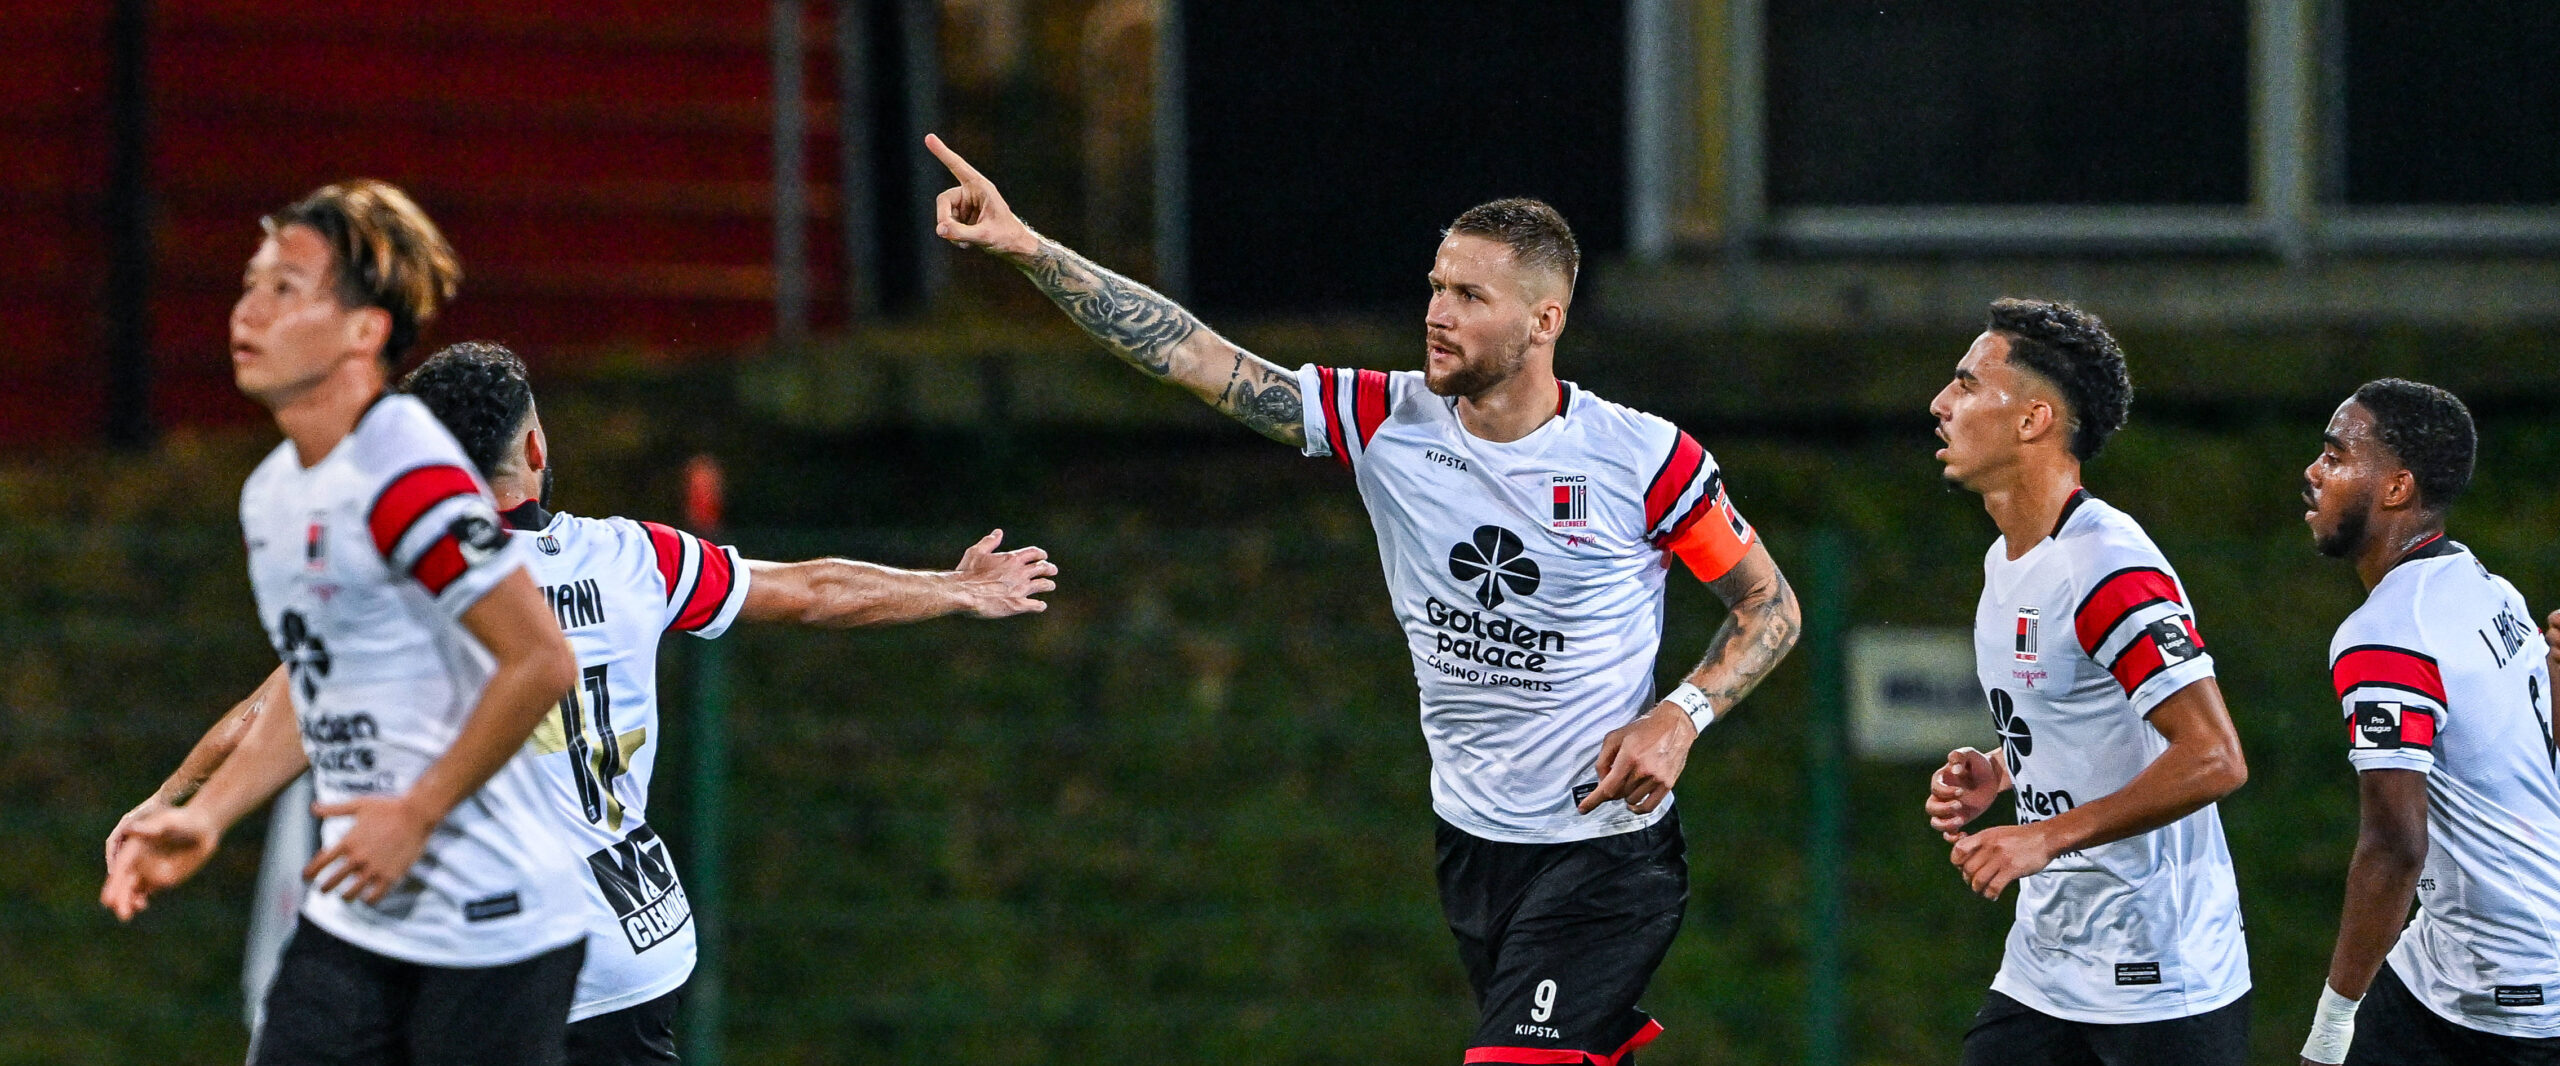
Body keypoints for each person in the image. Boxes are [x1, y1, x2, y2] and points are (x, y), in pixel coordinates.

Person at [924, 133, 1801, 1065]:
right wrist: (1028, 248)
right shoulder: (1384, 418)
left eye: (1470, 297)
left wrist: (1682, 716)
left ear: (1544, 321)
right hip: (1473, 847)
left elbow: (1769, 608)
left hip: (1607, 857)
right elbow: (1194, 358)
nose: (1437, 314)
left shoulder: (1644, 461)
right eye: (1435, 286)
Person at [116, 339, 1060, 1065]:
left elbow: (269, 711)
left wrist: (174, 802)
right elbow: (809, 588)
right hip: (629, 951)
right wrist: (955, 587)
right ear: (533, 444)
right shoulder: (634, 560)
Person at [101, 181, 590, 1065]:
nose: (247, 308)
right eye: (251, 282)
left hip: (493, 933)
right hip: (358, 916)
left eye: (287, 288)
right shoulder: (276, 494)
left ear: (365, 332)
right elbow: (318, 688)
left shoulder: (405, 478)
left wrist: (415, 814)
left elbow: (540, 662)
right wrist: (207, 815)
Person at [1920, 299, 2253, 1066]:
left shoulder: (2109, 570)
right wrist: (2003, 771)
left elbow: (2214, 756)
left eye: (1967, 385)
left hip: (2159, 979)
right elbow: (2094, 717)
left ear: (2033, 420)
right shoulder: (2008, 559)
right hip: (2047, 967)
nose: (1941, 403)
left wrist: (2044, 837)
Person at [2295, 379, 2560, 1065]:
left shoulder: (2387, 634)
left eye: (2335, 455)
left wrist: (2330, 1024)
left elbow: (2394, 844)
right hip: (2445, 959)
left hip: (2503, 985)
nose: (2313, 472)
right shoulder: (2484, 586)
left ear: (2396, 488)